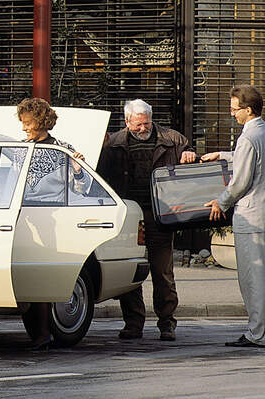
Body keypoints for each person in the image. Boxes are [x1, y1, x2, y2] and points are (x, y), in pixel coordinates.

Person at [97, 99, 196, 341]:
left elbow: (190, 159)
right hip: (130, 216)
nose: (143, 128)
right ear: (127, 121)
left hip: (160, 215)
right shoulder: (114, 143)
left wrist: (191, 154)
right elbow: (100, 173)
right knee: (132, 271)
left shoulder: (173, 139)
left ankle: (167, 323)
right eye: (138, 124)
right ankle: (133, 323)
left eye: (146, 123)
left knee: (163, 273)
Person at [16, 97, 89, 351]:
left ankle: (43, 333)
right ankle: (36, 333)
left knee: (44, 278)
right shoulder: (20, 149)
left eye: (28, 123)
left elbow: (82, 188)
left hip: (52, 220)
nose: (24, 128)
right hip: (23, 220)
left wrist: (79, 170)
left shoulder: (63, 149)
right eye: (23, 123)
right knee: (26, 277)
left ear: (41, 121)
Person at [203, 85, 265, 347]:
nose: (232, 114)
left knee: (253, 279)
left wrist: (221, 202)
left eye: (234, 109)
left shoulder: (247, 138)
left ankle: (257, 333)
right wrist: (224, 154)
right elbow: (251, 159)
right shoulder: (261, 132)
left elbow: (240, 181)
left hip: (251, 218)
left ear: (247, 110)